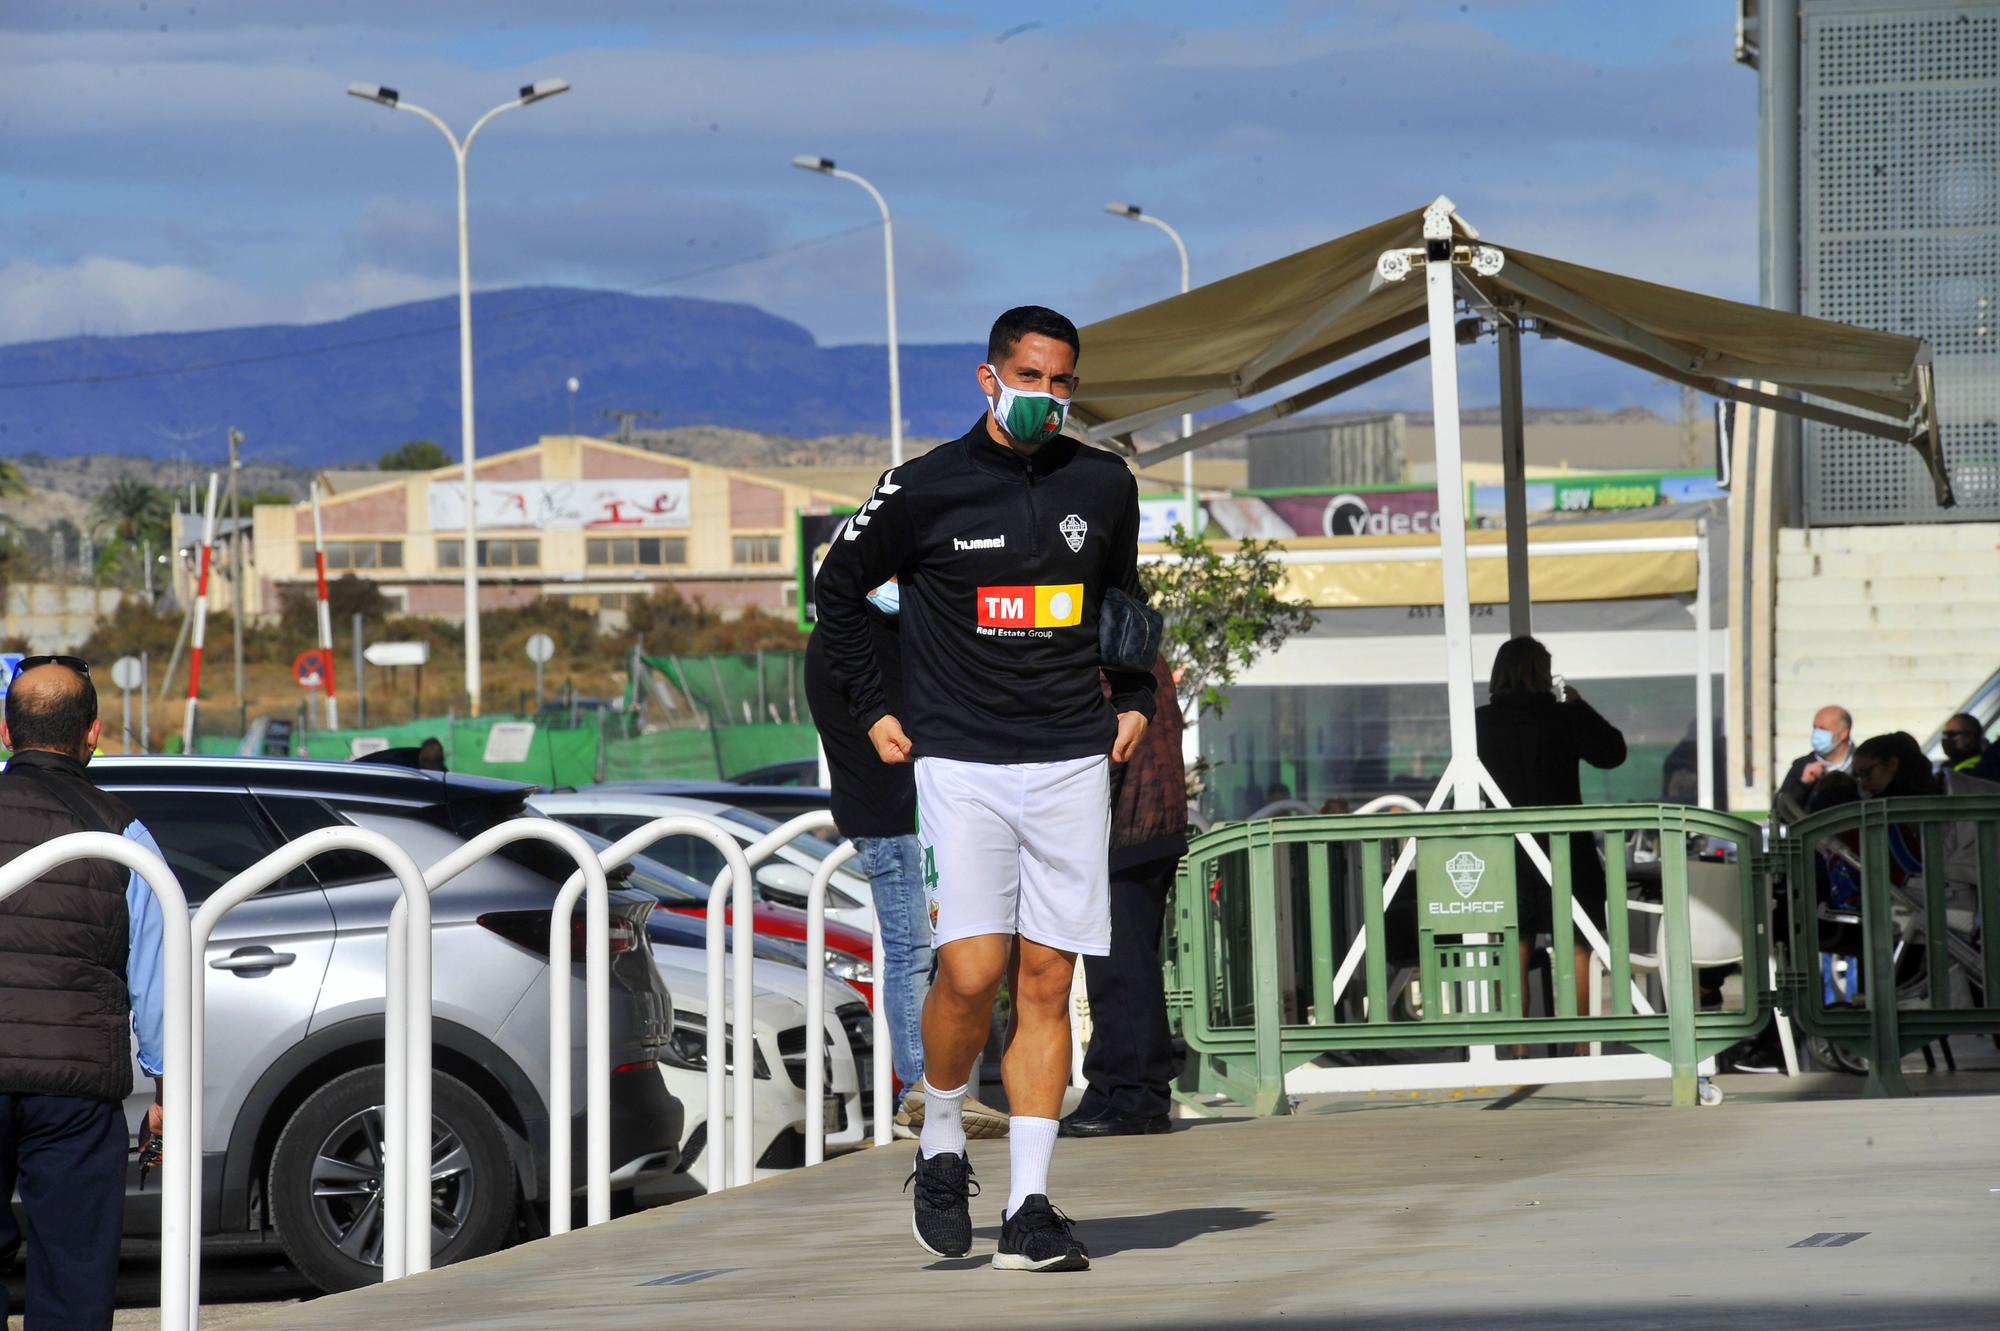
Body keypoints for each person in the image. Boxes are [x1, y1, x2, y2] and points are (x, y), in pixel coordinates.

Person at [814, 305, 1155, 1273]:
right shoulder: (922, 488)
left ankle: (1031, 1206)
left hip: (1069, 759)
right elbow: (838, 589)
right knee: (969, 971)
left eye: (1063, 382)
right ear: (987, 376)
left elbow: (1121, 596)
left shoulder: (1103, 482)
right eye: (1031, 376)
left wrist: (1132, 693)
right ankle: (940, 1143)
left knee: (1048, 979)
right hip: (960, 762)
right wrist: (874, 705)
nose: (1048, 396)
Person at [803, 575, 1006, 1140]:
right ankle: (921, 1087)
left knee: (939, 954)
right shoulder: (859, 640)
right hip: (891, 819)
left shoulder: (851, 636)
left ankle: (934, 1087)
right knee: (915, 954)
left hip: (903, 817)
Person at [0, 657, 168, 1330]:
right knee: (72, 1277)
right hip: (74, 1090)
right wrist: (167, 1093)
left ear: (7, 731)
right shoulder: (123, 835)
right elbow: (157, 982)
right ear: (93, 732)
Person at [1062, 655, 1186, 1138]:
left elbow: (1104, 753)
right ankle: (1117, 1089)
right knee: (1121, 967)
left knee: (1121, 970)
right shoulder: (1135, 650)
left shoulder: (1107, 656)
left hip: (1126, 832)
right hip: (1149, 826)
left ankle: (1136, 1097)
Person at [1474, 637, 1627, 1022]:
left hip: (1506, 848)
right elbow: (1612, 753)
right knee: (1578, 944)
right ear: (1540, 672)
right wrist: (1578, 704)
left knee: (1514, 943)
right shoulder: (1563, 717)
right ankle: (1581, 1041)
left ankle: (1518, 1047)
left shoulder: (1479, 722)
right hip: (1567, 846)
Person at [1776, 705, 1854, 819]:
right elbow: (1779, 813)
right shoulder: (1801, 766)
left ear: (1843, 733)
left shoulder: (1863, 765)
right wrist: (1802, 784)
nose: (1816, 734)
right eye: (1815, 728)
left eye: (1822, 729)